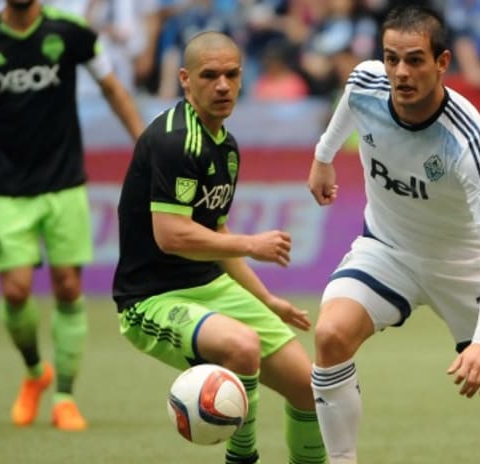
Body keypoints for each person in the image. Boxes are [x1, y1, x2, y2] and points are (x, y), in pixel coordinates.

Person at [307, 6, 480, 464]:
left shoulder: (468, 140)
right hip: (388, 250)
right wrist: (324, 156)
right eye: (392, 58)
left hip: (466, 270)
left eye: (415, 60)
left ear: (442, 63)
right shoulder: (367, 82)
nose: (401, 72)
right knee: (330, 335)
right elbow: (351, 98)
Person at [111, 31, 325, 464]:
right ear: (186, 80)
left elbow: (215, 233)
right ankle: (242, 458)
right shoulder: (175, 141)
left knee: (311, 388)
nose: (223, 85)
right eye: (210, 76)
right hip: (151, 298)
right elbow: (171, 235)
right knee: (242, 347)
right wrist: (252, 244)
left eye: (231, 74)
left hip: (210, 287)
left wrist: (266, 298)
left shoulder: (226, 147)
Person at [0, 0, 144, 431]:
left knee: (67, 286)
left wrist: (146, 146)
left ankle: (64, 396)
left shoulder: (72, 33)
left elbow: (112, 88)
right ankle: (34, 373)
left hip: (65, 184)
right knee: (15, 291)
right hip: (11, 190)